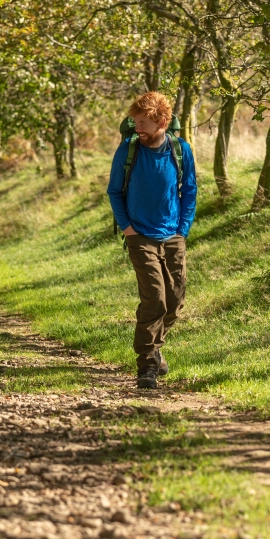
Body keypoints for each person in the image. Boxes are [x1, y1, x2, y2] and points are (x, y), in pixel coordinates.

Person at [106, 92, 198, 390]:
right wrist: (128, 228)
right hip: (140, 236)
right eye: (135, 122)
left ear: (161, 122)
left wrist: (182, 229)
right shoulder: (128, 150)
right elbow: (114, 192)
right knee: (155, 298)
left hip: (173, 234)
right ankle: (146, 364)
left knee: (175, 299)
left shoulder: (180, 150)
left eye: (143, 122)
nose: (138, 128)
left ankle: (155, 347)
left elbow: (190, 191)